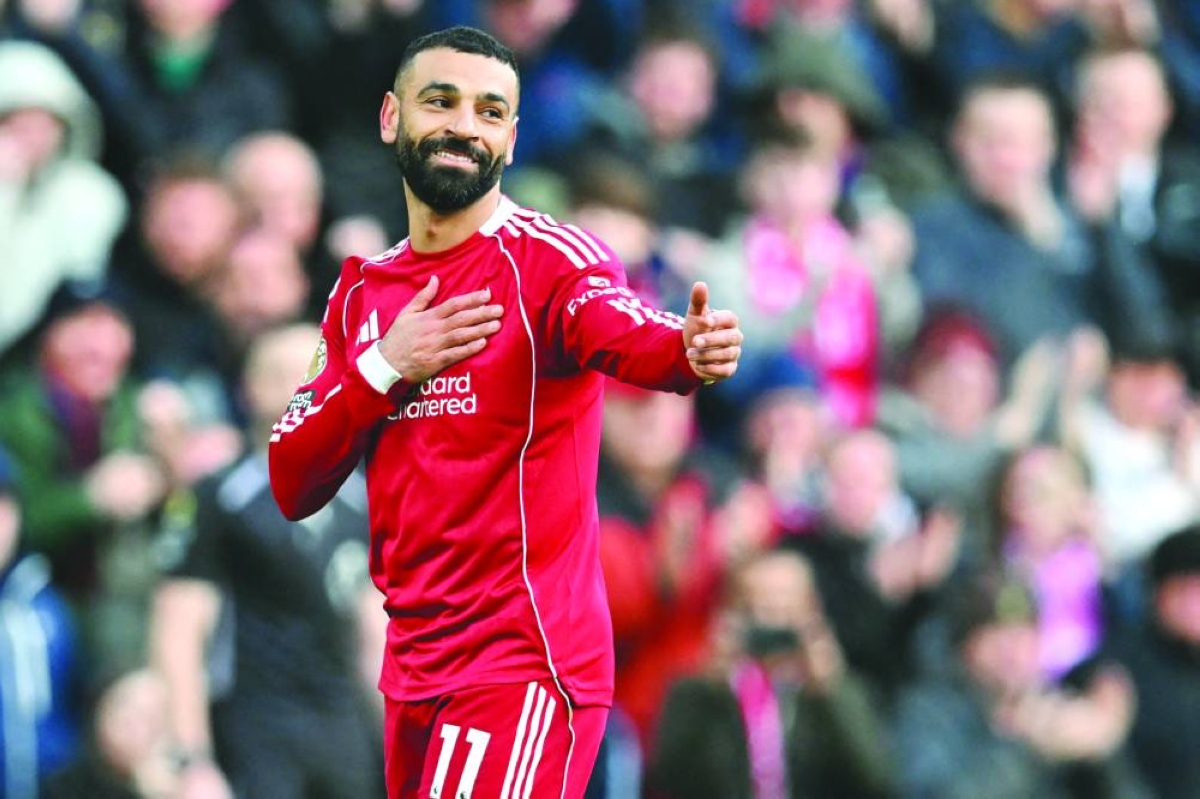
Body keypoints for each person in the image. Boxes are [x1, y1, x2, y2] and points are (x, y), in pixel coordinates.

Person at [267, 25, 743, 799]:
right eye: (441, 101)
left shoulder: (554, 259)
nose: (464, 125)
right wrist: (390, 363)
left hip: (523, 661)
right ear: (392, 118)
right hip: (415, 663)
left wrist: (685, 352)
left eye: (490, 112)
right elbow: (292, 477)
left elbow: (618, 327)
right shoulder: (362, 291)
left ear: (512, 140)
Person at [150, 324, 378, 799]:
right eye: (287, 374)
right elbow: (178, 631)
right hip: (257, 725)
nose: (308, 386)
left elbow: (375, 633)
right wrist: (192, 760)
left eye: (320, 370)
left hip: (344, 725)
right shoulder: (220, 496)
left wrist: (406, 742)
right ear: (250, 389)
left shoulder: (362, 495)